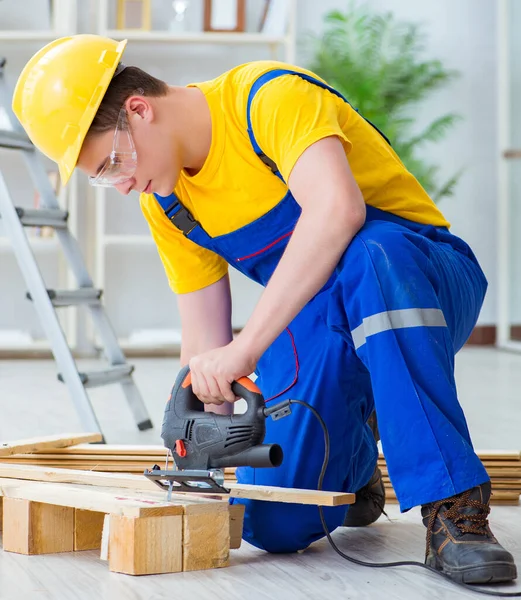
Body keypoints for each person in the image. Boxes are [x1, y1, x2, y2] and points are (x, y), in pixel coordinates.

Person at [13, 34, 517, 585]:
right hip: (320, 313)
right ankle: (354, 459)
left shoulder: (265, 98)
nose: (123, 185)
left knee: (374, 254)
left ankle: (454, 511)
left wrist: (245, 349)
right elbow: (203, 337)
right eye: (102, 177)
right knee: (275, 524)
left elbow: (337, 210)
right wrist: (196, 437)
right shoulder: (170, 201)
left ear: (139, 110)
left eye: (112, 163)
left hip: (419, 278)